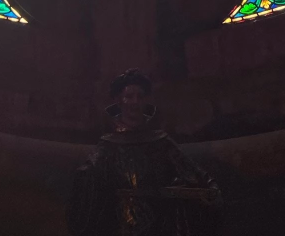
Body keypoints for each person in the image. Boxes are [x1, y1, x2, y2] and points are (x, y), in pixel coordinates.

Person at [67, 69, 221, 236]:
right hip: (121, 226)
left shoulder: (160, 142)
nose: (135, 102)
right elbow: (89, 178)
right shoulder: (108, 145)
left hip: (160, 227)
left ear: (146, 101)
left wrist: (209, 190)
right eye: (129, 96)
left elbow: (194, 174)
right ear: (120, 101)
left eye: (140, 96)